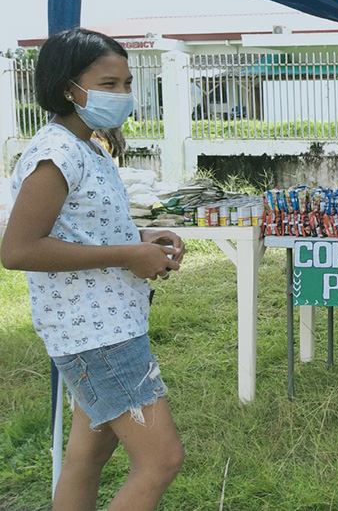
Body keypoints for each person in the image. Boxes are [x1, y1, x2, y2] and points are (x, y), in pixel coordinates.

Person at [0, 28, 186, 511]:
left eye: (127, 84)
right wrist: (127, 255)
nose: (123, 95)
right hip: (96, 336)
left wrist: (142, 240)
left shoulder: (88, 147)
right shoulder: (55, 154)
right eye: (109, 84)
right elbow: (19, 249)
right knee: (162, 459)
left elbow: (83, 230)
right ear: (68, 87)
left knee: (90, 452)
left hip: (105, 326)